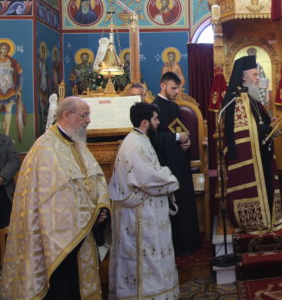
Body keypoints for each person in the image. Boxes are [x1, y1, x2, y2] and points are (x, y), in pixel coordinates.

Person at [1, 97, 110, 299]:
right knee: (63, 286)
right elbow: (53, 197)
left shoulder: (78, 144)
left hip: (83, 231)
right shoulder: (45, 148)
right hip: (58, 237)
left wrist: (101, 208)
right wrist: (92, 214)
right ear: (66, 115)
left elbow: (96, 179)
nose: (88, 120)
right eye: (84, 115)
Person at [109, 102, 180, 299]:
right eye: (155, 119)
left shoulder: (140, 139)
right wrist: (170, 177)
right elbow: (149, 178)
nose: (158, 122)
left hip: (146, 209)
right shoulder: (135, 145)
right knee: (147, 260)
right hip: (141, 214)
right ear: (145, 122)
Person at [222, 56, 282, 233]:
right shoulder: (235, 100)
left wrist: (272, 126)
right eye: (254, 75)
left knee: (267, 182)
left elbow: (261, 124)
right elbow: (243, 132)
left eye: (257, 74)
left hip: (262, 153)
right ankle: (256, 220)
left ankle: (269, 217)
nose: (257, 78)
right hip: (246, 156)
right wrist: (265, 129)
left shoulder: (253, 99)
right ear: (243, 76)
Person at [151, 72, 200, 255]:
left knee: (185, 200)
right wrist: (178, 137)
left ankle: (190, 241)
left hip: (180, 160)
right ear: (163, 85)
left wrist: (187, 143)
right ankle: (177, 245)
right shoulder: (154, 108)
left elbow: (180, 130)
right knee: (175, 203)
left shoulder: (173, 106)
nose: (176, 91)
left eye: (178, 88)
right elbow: (155, 139)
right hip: (167, 164)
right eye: (173, 88)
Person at [0, 41, 24, 139]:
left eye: (6, 48)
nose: (4, 50)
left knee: (8, 112)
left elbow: (20, 74)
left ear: (9, 50)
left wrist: (19, 88)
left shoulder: (13, 61)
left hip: (10, 90)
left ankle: (6, 136)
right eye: (2, 48)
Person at [0, 133, 19, 228]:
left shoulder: (6, 141)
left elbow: (14, 160)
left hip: (3, 188)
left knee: (5, 223)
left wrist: (2, 177)